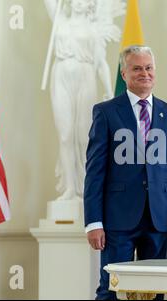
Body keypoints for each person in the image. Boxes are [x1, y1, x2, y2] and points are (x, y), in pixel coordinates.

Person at [84, 45, 167, 300]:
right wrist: (93, 222)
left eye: (149, 67)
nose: (145, 73)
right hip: (117, 219)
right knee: (111, 287)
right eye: (137, 68)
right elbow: (94, 171)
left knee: (154, 289)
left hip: (159, 218)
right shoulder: (106, 112)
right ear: (124, 74)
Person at [44, 0, 122, 200]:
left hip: (86, 75)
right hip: (61, 74)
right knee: (65, 135)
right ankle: (70, 187)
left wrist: (109, 92)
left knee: (84, 136)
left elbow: (102, 63)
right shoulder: (59, 20)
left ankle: (88, 189)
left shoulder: (94, 29)